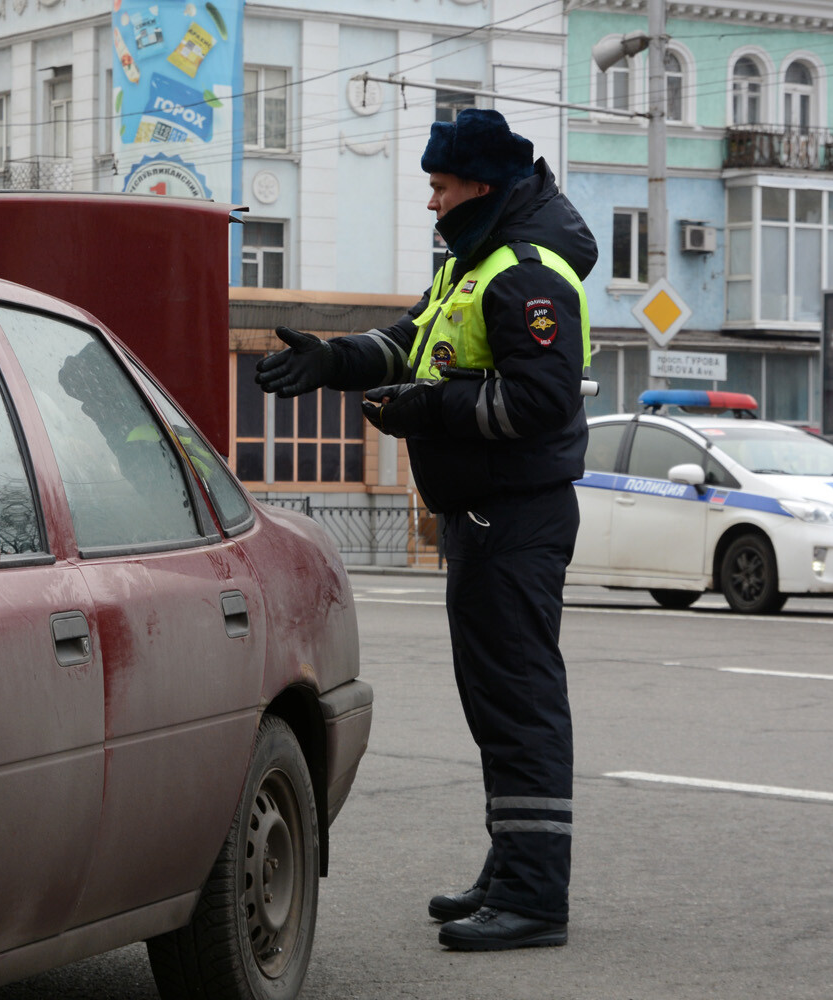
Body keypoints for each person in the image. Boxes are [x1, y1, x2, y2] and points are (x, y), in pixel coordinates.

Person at [253, 108, 596, 952]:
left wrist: (428, 410)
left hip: (516, 516)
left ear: (480, 184)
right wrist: (334, 361)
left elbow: (539, 402)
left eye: (440, 188)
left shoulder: (527, 274)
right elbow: (410, 341)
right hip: (482, 516)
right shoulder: (471, 265)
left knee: (520, 703)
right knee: (494, 701)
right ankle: (511, 865)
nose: (432, 204)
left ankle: (533, 897)